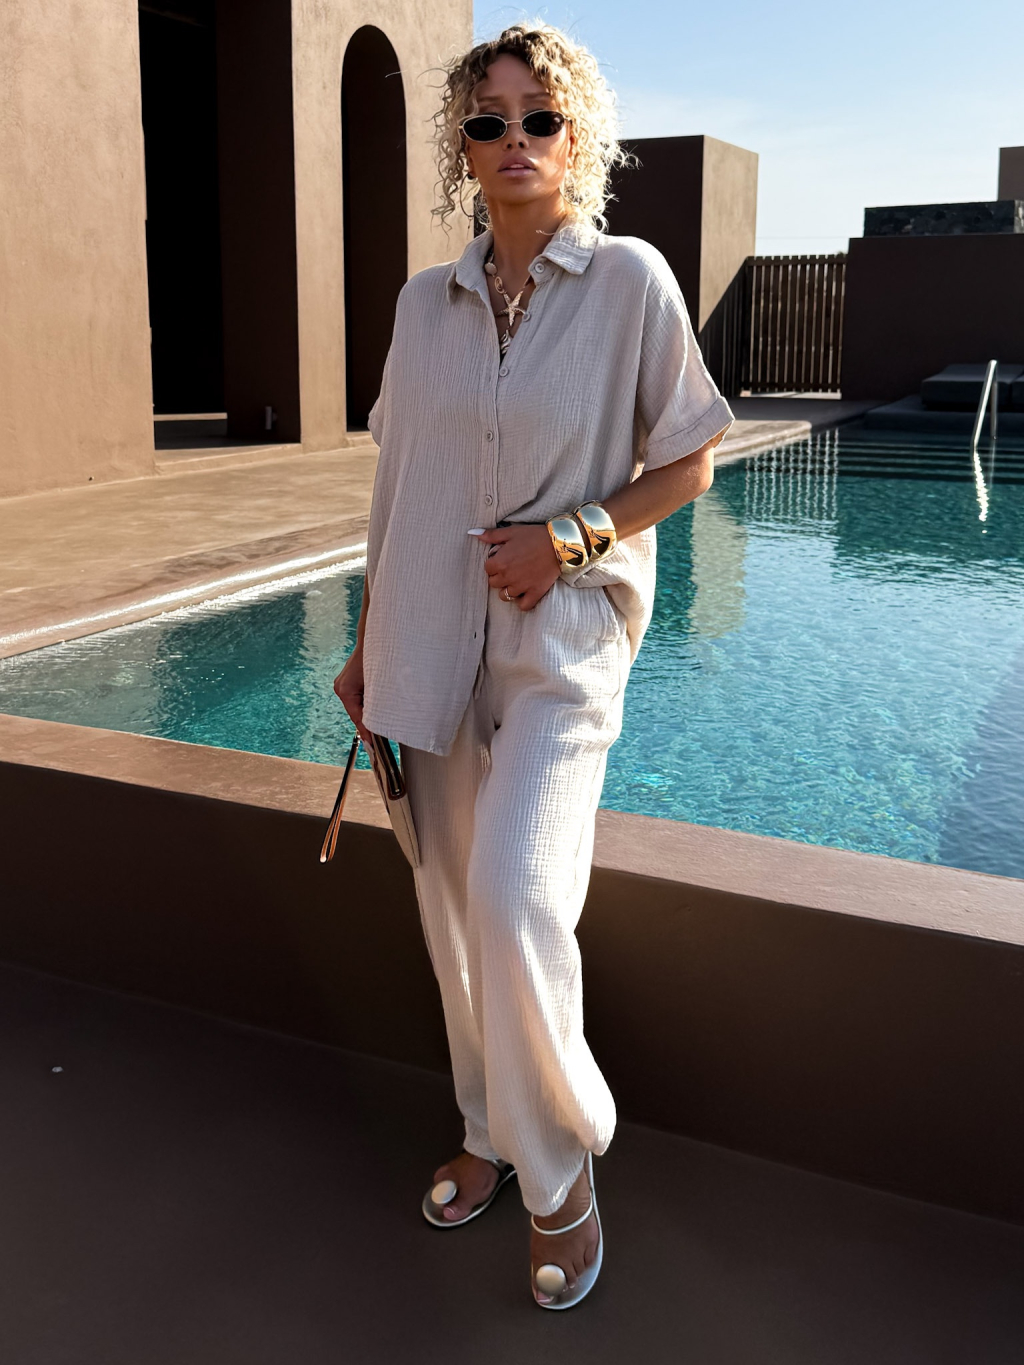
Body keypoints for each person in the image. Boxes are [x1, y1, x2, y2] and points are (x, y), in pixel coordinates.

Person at [334, 21, 733, 1310]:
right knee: (452, 909)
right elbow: (399, 486)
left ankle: (560, 1166)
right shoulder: (423, 304)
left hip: (562, 648)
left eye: (540, 117)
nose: (515, 138)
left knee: (514, 898)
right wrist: (365, 640)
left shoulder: (629, 282)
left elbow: (691, 458)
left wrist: (570, 538)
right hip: (426, 640)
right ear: (463, 144)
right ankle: (488, 1129)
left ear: (578, 136)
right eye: (489, 119)